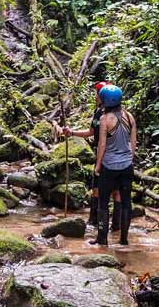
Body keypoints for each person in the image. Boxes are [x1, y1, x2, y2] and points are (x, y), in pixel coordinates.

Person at [58, 81, 121, 233]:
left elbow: (106, 142)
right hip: (106, 156)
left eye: (97, 94)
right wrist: (72, 133)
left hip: (109, 156)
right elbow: (91, 132)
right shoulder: (99, 113)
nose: (95, 97)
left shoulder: (115, 115)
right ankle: (95, 222)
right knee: (96, 189)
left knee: (114, 192)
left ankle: (114, 227)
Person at [92, 84, 135, 247]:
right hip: (126, 166)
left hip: (109, 166)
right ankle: (124, 239)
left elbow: (102, 145)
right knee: (126, 202)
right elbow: (133, 143)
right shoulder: (129, 116)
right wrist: (130, 160)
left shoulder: (104, 119)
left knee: (103, 202)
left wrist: (97, 166)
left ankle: (102, 239)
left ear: (104, 101)